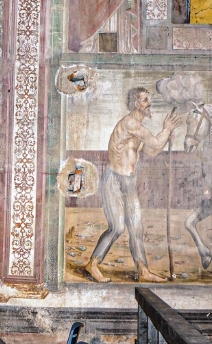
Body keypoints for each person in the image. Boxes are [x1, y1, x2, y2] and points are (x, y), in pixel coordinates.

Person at [84, 87, 182, 283]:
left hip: (129, 182)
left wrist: (165, 139)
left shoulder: (138, 129)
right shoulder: (130, 123)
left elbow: (152, 151)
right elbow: (155, 142)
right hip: (113, 180)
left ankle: (143, 270)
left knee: (136, 228)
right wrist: (166, 130)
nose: (149, 104)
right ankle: (92, 264)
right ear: (136, 104)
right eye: (145, 100)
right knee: (117, 227)